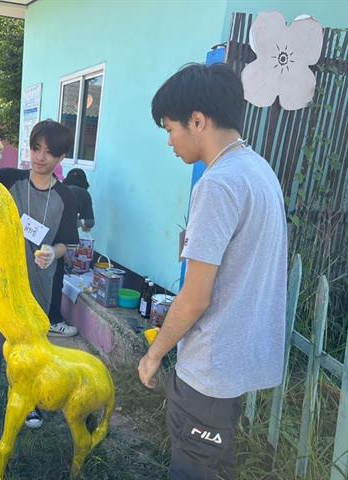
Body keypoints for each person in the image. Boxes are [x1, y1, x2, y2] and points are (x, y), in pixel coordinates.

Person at [138, 63, 287, 479]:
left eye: (170, 129)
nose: (169, 142)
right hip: (239, 363)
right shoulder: (259, 170)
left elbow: (195, 296)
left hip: (208, 372)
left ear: (198, 121)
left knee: (193, 468)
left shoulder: (218, 184)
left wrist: (154, 355)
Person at [0, 121, 79, 428]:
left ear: (61, 157)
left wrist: (53, 253)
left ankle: (28, 398)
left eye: (50, 152)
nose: (40, 157)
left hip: (40, 284)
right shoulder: (11, 180)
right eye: (35, 148)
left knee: (31, 345)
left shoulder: (66, 197)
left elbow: (67, 242)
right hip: (2, 282)